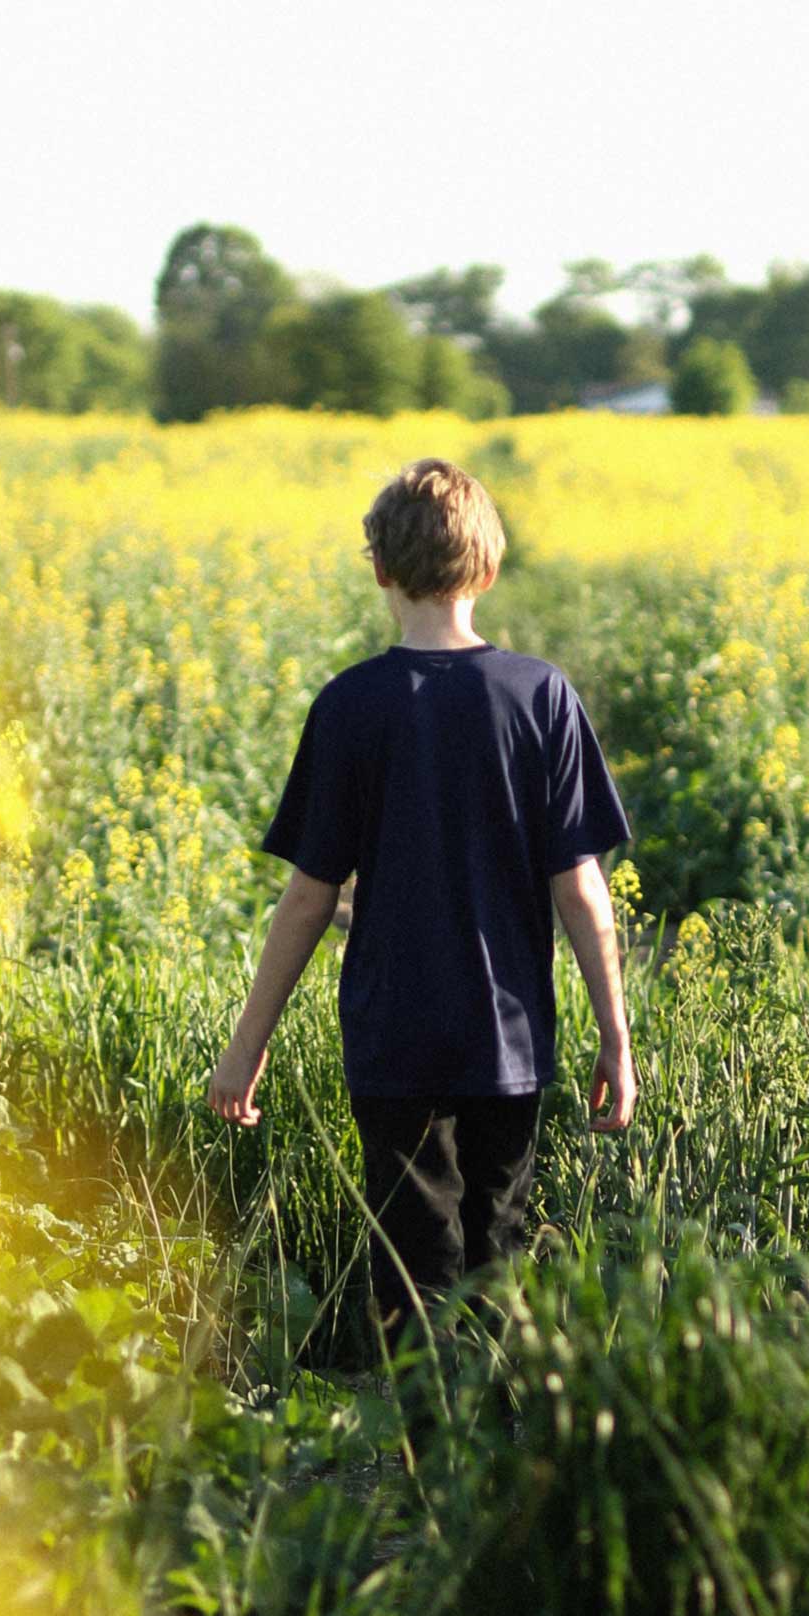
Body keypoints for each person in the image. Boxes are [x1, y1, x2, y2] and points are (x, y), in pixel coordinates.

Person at [205, 456, 637, 1376]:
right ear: (487, 569)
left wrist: (249, 1043)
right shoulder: (541, 696)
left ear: (379, 571)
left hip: (393, 1039)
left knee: (413, 1267)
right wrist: (615, 1035)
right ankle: (496, 1463)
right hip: (510, 1038)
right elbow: (581, 889)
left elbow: (308, 899)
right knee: (502, 1253)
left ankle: (426, 1464)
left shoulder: (351, 706)